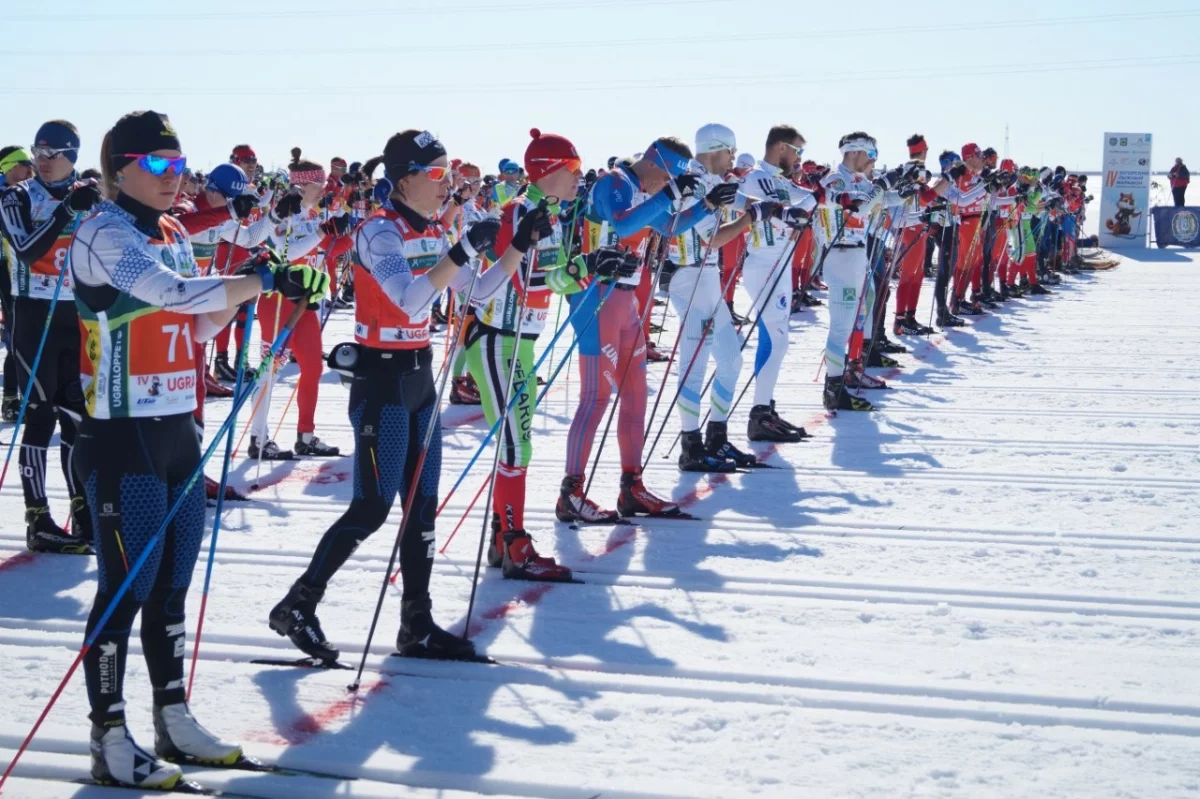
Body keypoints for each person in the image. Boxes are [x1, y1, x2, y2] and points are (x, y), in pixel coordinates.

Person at [70, 109, 327, 789]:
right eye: (157, 164)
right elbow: (169, 293)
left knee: (173, 587)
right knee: (125, 590)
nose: (172, 174)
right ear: (119, 166)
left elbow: (203, 316)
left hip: (178, 430)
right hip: (121, 431)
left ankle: (172, 715)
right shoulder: (100, 231)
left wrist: (262, 277)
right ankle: (109, 732)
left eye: (178, 162)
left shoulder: (177, 228)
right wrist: (259, 281)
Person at [269, 128, 511, 662]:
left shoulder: (432, 228)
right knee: (373, 507)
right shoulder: (379, 232)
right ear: (403, 181)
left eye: (449, 171)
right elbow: (406, 301)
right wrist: (461, 248)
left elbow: (483, 291)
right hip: (380, 381)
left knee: (422, 510)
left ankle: (417, 626)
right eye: (436, 172)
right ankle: (299, 604)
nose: (448, 181)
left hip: (421, 378)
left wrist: (518, 246)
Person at [468, 129, 618, 581]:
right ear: (548, 171)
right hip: (499, 339)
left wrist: (595, 269)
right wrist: (579, 270)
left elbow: (554, 281)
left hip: (522, 342)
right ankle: (514, 545)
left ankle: (504, 538)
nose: (578, 177)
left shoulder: (548, 216)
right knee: (517, 446)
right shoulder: (518, 214)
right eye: (572, 169)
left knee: (518, 445)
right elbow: (522, 283)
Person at [555, 136, 712, 522]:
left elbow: (670, 226)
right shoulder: (614, 183)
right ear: (655, 164)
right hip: (596, 297)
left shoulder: (644, 191)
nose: (662, 186)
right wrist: (669, 193)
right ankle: (570, 492)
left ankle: (632, 486)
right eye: (666, 178)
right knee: (596, 397)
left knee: (636, 395)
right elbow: (624, 224)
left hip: (626, 301)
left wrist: (708, 204)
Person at [0, 120, 100, 554]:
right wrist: (66, 211)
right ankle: (37, 518)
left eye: (53, 153)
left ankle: (82, 509)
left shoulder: (91, 197)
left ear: (72, 157)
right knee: (39, 415)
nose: (41, 160)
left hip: (76, 317)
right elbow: (25, 248)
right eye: (38, 151)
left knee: (77, 419)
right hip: (32, 316)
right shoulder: (15, 197)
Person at [670, 123, 785, 472]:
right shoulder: (692, 185)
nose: (734, 158)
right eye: (730, 151)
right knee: (695, 363)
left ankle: (716, 438)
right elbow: (713, 239)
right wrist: (753, 217)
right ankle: (691, 445)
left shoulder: (711, 181)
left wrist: (775, 209)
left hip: (707, 279)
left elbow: (739, 199)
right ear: (714, 150)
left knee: (731, 360)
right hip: (689, 279)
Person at [245, 151, 351, 460]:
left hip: (307, 300)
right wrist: (323, 233)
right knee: (271, 370)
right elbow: (288, 254)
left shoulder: (314, 214)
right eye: (319, 183)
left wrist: (347, 235)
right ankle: (259, 438)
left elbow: (325, 251)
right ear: (303, 186)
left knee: (313, 367)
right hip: (278, 300)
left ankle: (306, 435)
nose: (324, 188)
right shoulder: (286, 211)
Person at [815, 131, 909, 412]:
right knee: (841, 325)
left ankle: (851, 370)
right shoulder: (834, 180)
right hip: (841, 255)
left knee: (862, 313)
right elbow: (859, 208)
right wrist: (880, 187)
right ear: (854, 151)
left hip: (857, 254)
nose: (873, 162)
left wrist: (904, 191)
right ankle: (834, 390)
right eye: (871, 155)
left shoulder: (858, 181)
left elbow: (878, 201)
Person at [737, 124, 816, 439]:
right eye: (797, 150)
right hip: (764, 262)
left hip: (781, 263)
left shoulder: (783, 181)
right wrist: (788, 212)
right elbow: (751, 202)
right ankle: (759, 415)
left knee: (774, 338)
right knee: (777, 338)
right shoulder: (756, 177)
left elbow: (810, 199)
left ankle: (766, 407)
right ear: (781, 147)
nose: (799, 158)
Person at [0, 146, 35, 422]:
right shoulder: (6, 197)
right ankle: (10, 398)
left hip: (30, 275)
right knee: (17, 337)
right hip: (8, 274)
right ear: (9, 168)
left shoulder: (31, 194)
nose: (31, 168)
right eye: (25, 163)